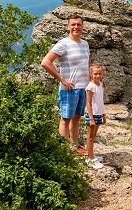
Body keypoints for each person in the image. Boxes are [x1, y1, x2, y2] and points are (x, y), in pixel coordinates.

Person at [41, 13, 90, 151]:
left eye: (78, 24)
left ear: (82, 26)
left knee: (76, 117)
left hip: (83, 87)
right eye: (73, 24)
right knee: (65, 118)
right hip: (69, 88)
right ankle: (63, 149)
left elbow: (87, 61)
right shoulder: (63, 44)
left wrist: (91, 81)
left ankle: (74, 145)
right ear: (68, 26)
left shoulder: (85, 44)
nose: (76, 27)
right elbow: (46, 62)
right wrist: (62, 80)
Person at [84, 63, 106, 170]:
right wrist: (91, 118)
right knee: (90, 136)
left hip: (99, 113)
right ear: (91, 74)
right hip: (92, 114)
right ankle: (91, 159)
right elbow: (88, 103)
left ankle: (91, 155)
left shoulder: (101, 85)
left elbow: (100, 101)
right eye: (95, 74)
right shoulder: (90, 86)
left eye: (100, 74)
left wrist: (103, 115)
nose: (98, 76)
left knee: (94, 135)